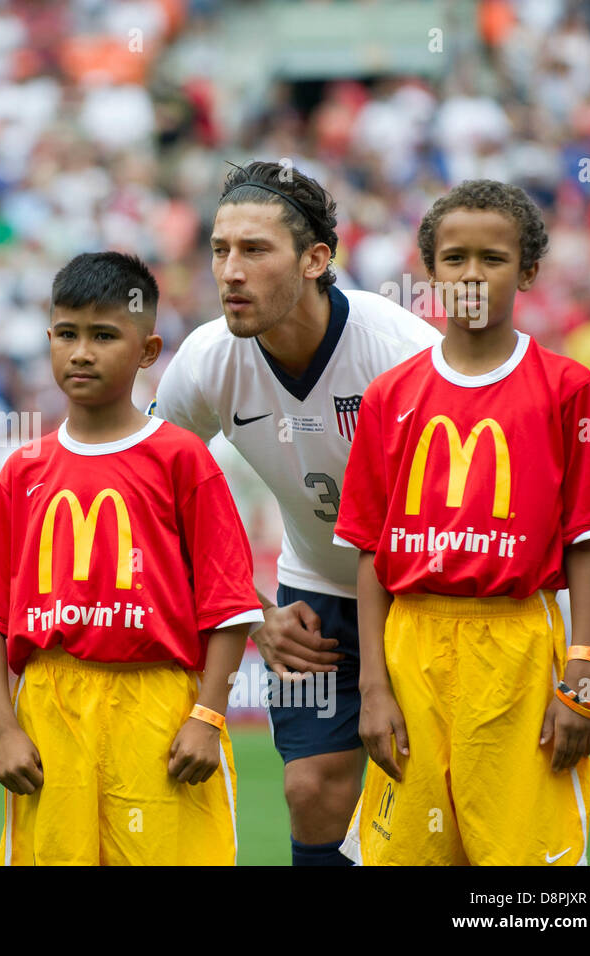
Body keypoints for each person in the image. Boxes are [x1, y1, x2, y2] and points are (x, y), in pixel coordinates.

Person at [150, 160, 442, 865]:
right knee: (310, 788)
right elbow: (147, 493)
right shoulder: (206, 361)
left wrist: (381, 675)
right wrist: (253, 614)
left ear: (316, 260)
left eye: (255, 250)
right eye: (220, 250)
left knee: (436, 803)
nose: (230, 271)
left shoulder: (401, 357)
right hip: (314, 595)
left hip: (428, 597)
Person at [0, 252, 264, 865]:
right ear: (48, 340)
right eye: (67, 334)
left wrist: (208, 716)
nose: (82, 352)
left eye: (104, 336)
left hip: (158, 706)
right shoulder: (24, 469)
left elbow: (229, 607)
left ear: (147, 351)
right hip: (49, 706)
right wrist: (1, 726)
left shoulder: (182, 459)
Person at [334, 180, 590, 865]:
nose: (471, 273)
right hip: (413, 646)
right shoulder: (391, 395)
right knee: (412, 854)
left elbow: (585, 541)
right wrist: (373, 687)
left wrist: (580, 674)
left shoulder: (567, 388)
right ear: (430, 269)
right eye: (454, 257)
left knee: (522, 876)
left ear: (526, 271)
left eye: (492, 258)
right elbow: (370, 553)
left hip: (518, 644)